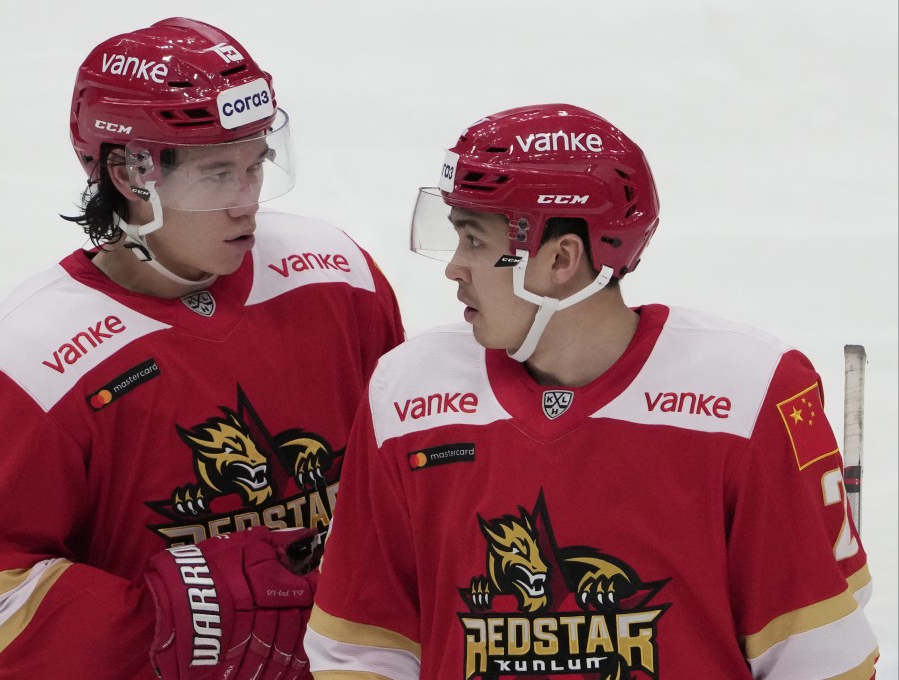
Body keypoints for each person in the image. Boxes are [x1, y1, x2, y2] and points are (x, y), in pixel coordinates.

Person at [304, 104, 878, 679]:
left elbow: (817, 656)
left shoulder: (749, 397)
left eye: (475, 242)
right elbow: (364, 646)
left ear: (560, 258)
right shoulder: (407, 396)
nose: (454, 268)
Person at [0, 17, 404, 680]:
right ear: (129, 173)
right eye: (216, 176)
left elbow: (408, 491)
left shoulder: (337, 278)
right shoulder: (29, 358)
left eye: (256, 165)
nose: (248, 204)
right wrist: (174, 620)